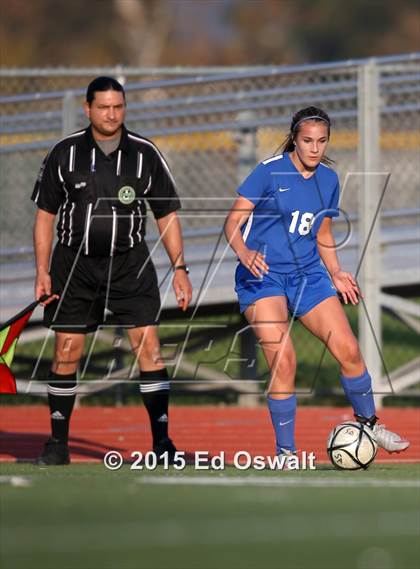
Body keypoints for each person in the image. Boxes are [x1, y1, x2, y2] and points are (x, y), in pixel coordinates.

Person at [224, 106, 409, 461]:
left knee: (349, 350)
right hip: (262, 276)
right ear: (294, 138)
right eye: (307, 140)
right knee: (284, 359)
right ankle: (286, 453)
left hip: (307, 274)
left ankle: (368, 424)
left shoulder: (328, 179)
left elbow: (322, 231)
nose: (314, 148)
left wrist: (336, 271)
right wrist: (244, 252)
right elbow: (233, 222)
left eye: (321, 141)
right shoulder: (268, 171)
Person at [32, 76, 192, 465]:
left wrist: (180, 268)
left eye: (118, 107)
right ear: (88, 109)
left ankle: (162, 445)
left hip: (130, 265)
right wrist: (42, 271)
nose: (111, 114)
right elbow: (44, 217)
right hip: (73, 266)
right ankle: (57, 445)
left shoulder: (144, 153)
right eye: (103, 107)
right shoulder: (64, 152)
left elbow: (166, 214)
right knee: (67, 352)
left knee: (149, 348)